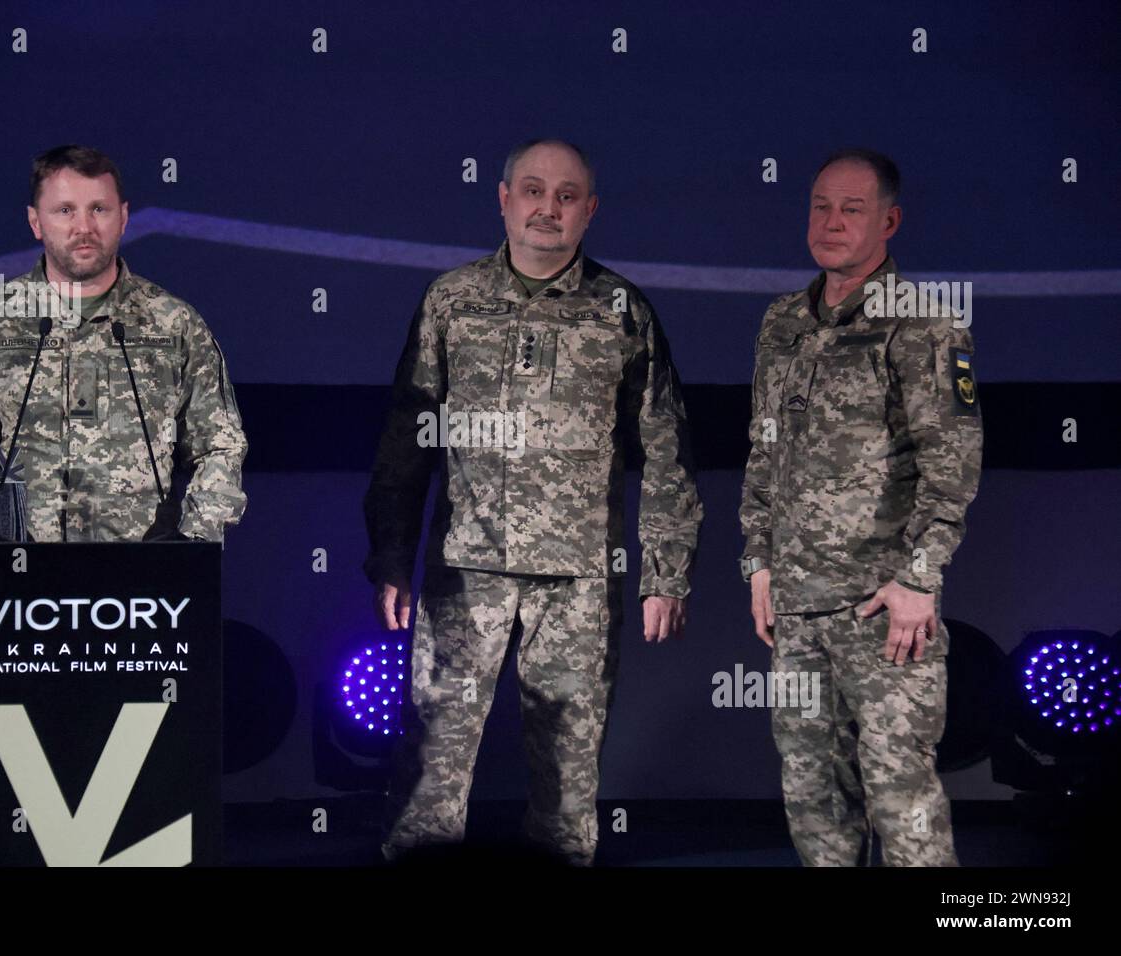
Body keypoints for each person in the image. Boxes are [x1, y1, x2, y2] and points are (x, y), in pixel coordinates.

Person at [363, 139, 703, 865]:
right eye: (533, 190)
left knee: (568, 784)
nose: (549, 207)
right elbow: (406, 439)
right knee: (430, 768)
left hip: (581, 576)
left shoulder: (622, 312)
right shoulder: (451, 300)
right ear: (504, 198)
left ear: (589, 210)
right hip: (465, 570)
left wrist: (665, 572)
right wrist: (390, 553)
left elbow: (666, 451)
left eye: (567, 195)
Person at [739, 148, 982, 866]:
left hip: (883, 612)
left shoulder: (924, 326)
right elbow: (764, 453)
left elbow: (953, 466)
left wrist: (919, 578)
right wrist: (758, 563)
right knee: (816, 811)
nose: (832, 222)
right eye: (820, 205)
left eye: (853, 209)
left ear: (889, 221)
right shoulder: (782, 322)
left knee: (902, 809)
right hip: (798, 611)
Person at [0, 144, 247, 542]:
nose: (84, 226)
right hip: (21, 573)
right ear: (35, 222)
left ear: (124, 217)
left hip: (143, 576)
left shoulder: (174, 323)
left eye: (99, 209)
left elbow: (221, 445)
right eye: (65, 211)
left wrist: (192, 542)